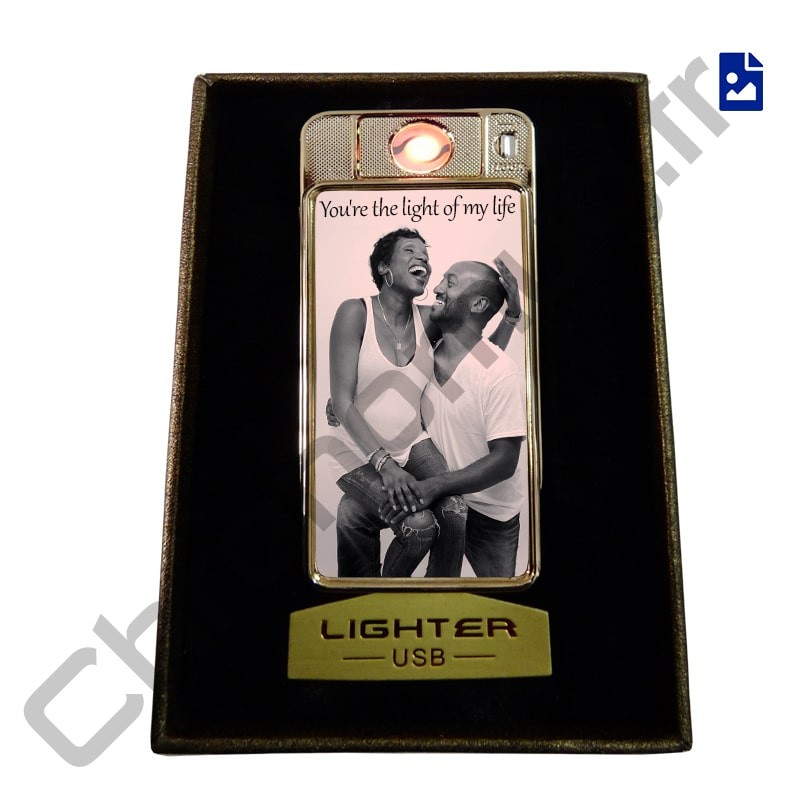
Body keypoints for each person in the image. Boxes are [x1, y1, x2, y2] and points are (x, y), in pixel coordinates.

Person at [327, 228, 520, 578]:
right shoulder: (355, 312)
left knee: (454, 512)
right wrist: (383, 459)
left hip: (414, 447)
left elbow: (477, 350)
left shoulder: (430, 318)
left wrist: (510, 317)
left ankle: (439, 594)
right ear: (384, 267)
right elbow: (343, 401)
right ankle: (382, 598)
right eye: (409, 251)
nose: (423, 260)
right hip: (358, 452)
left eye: (426, 255)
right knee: (416, 525)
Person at [378, 261, 527, 577]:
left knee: (499, 598)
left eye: (451, 282)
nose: (436, 288)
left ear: (478, 304)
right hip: (440, 497)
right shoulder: (424, 354)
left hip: (490, 513)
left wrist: (434, 486)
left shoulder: (500, 372)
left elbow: (505, 461)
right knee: (351, 515)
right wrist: (347, 402)